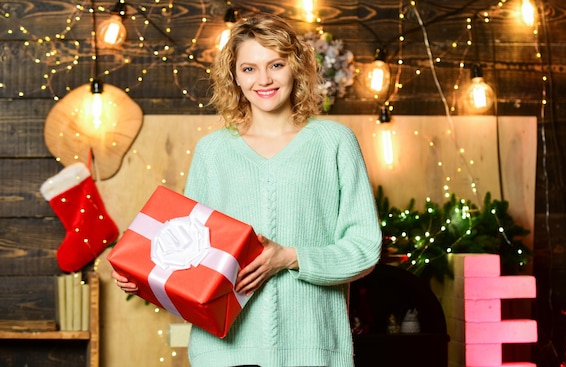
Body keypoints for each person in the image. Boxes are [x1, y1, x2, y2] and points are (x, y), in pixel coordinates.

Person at [113, 12, 382, 367]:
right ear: (234, 76)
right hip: (223, 354)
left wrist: (290, 257)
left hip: (314, 349)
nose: (264, 80)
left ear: (296, 68)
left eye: (276, 64)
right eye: (249, 68)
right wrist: (145, 277)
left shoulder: (334, 142)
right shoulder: (213, 152)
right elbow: (189, 251)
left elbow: (364, 248)